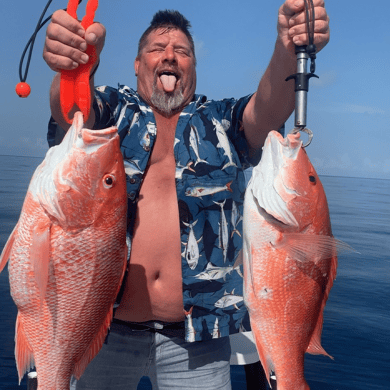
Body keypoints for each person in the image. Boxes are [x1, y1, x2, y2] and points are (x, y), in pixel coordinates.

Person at [43, 1, 329, 389]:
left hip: (198, 341)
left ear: (194, 65)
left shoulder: (219, 121)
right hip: (103, 330)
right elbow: (73, 114)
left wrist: (285, 46)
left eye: (183, 51)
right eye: (156, 49)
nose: (170, 57)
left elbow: (266, 109)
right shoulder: (114, 112)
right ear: (137, 64)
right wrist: (75, 68)